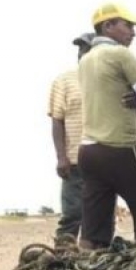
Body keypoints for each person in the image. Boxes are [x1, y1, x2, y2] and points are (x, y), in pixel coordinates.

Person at [76, 3, 136, 250]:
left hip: (89, 149)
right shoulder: (121, 55)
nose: (133, 33)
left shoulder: (85, 59)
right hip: (121, 147)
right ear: (108, 26)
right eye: (128, 26)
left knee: (94, 222)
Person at [46, 32, 95, 245]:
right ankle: (61, 260)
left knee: (100, 216)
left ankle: (97, 260)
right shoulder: (64, 80)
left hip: (105, 157)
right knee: (72, 213)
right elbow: (57, 120)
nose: (82, 53)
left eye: (87, 49)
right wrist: (61, 157)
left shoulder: (113, 79)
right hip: (74, 158)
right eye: (80, 49)